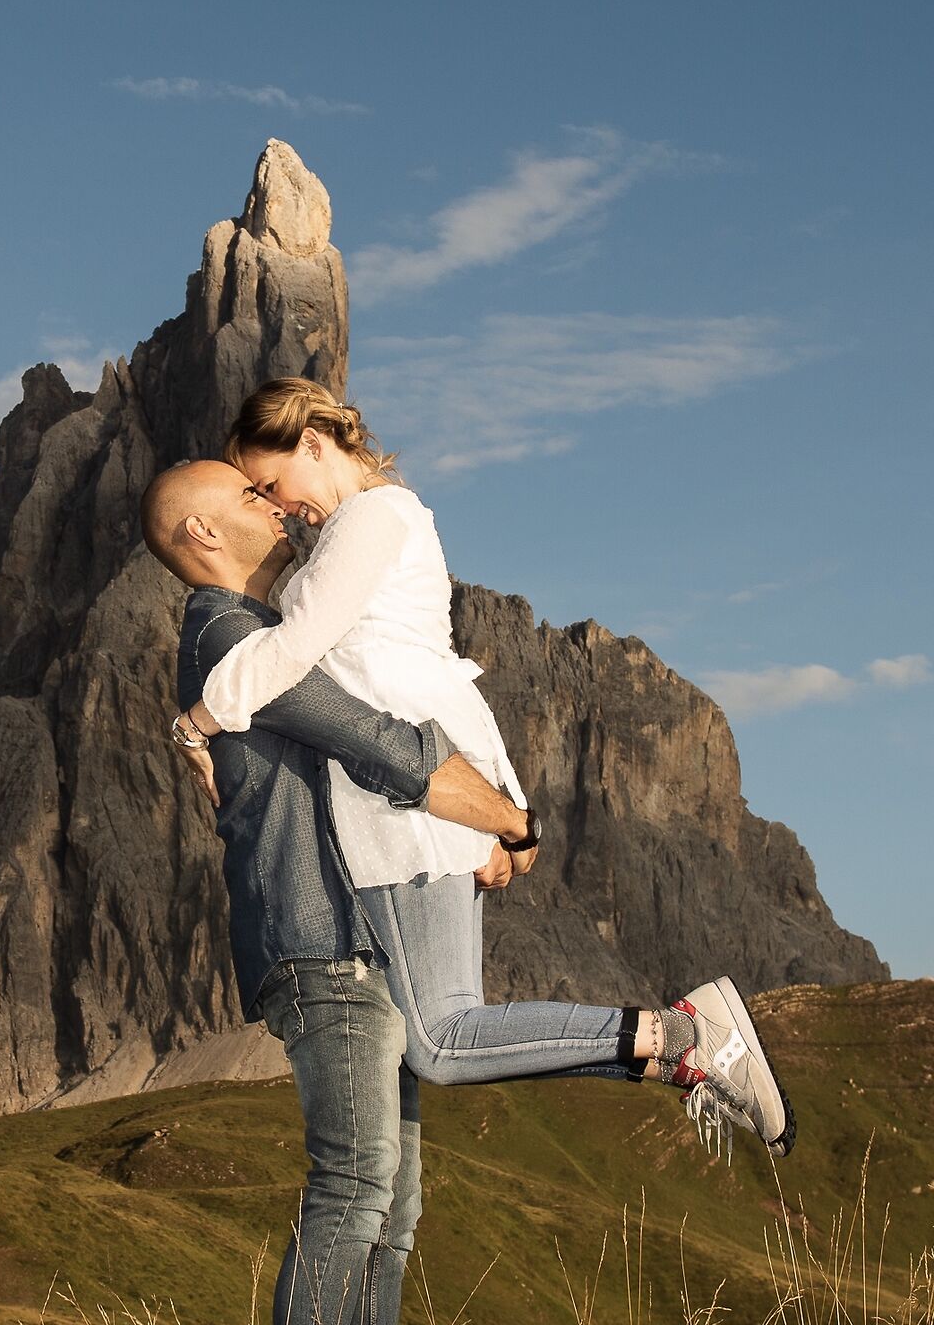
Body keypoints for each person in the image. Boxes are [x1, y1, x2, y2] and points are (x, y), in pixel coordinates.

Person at [137, 459, 771, 1325]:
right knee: (350, 1187)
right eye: (251, 498)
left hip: (368, 937)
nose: (277, 504)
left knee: (394, 1209)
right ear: (203, 535)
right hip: (322, 946)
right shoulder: (227, 639)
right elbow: (376, 744)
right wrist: (509, 819)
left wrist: (462, 826)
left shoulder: (282, 631)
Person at [172, 379, 790, 1164]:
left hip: (406, 809)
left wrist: (196, 721)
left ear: (314, 445)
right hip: (416, 801)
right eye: (257, 495)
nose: (278, 505)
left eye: (272, 484)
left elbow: (294, 657)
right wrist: (505, 800)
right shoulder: (351, 534)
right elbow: (439, 677)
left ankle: (682, 1034)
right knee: (444, 1030)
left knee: (437, 1039)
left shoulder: (375, 516)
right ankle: (683, 1052)